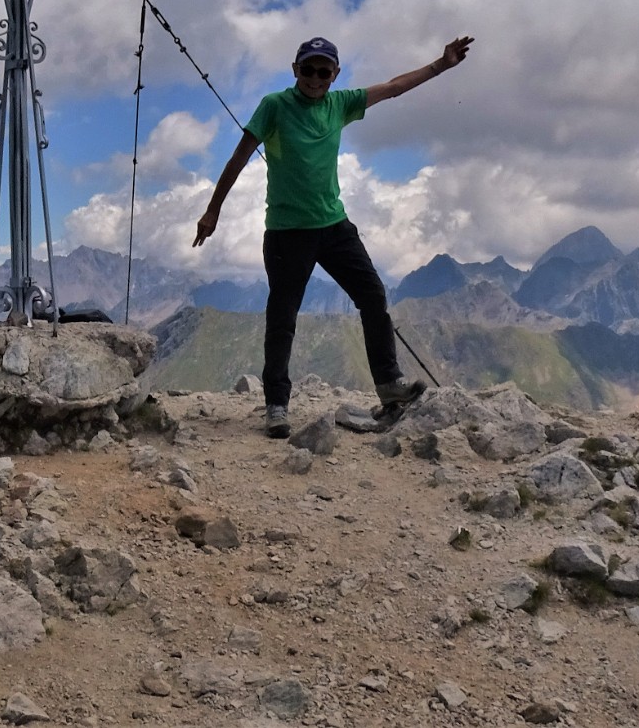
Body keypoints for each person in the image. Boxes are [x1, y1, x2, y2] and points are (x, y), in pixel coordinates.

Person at [193, 33, 473, 438]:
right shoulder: (274, 106)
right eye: (308, 69)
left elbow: (393, 88)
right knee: (282, 317)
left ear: (334, 75)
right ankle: (276, 405)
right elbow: (239, 157)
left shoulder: (340, 104)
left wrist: (440, 65)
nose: (315, 78)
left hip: (334, 226)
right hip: (288, 232)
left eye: (324, 71)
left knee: (373, 297)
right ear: (295, 70)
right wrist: (212, 211)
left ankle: (389, 386)